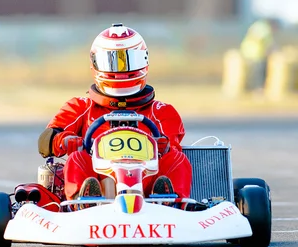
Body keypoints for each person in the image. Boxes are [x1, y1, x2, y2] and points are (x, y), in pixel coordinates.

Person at [37, 23, 192, 202]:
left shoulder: (162, 111)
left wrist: (163, 145)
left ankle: (171, 203)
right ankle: (85, 202)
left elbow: (172, 145)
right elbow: (46, 141)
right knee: (76, 158)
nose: (120, 70)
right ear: (96, 63)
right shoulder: (80, 106)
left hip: (147, 181)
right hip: (98, 178)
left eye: (129, 60)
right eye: (112, 61)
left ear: (144, 60)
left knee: (177, 159)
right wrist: (64, 141)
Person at [239, 18, 279, 90]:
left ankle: (252, 89)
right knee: (258, 73)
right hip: (254, 54)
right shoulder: (264, 29)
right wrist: (272, 50)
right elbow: (264, 40)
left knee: (252, 73)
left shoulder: (259, 26)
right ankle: (257, 89)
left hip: (250, 53)